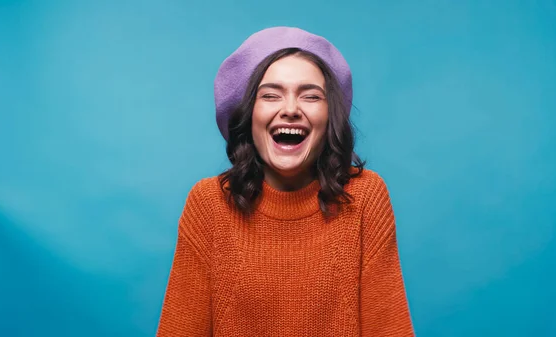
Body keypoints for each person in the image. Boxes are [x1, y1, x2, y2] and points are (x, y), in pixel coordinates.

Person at [156, 26, 414, 336]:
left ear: (329, 116)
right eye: (270, 95)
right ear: (249, 114)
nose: (290, 109)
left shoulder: (365, 197)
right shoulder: (209, 204)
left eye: (310, 96)